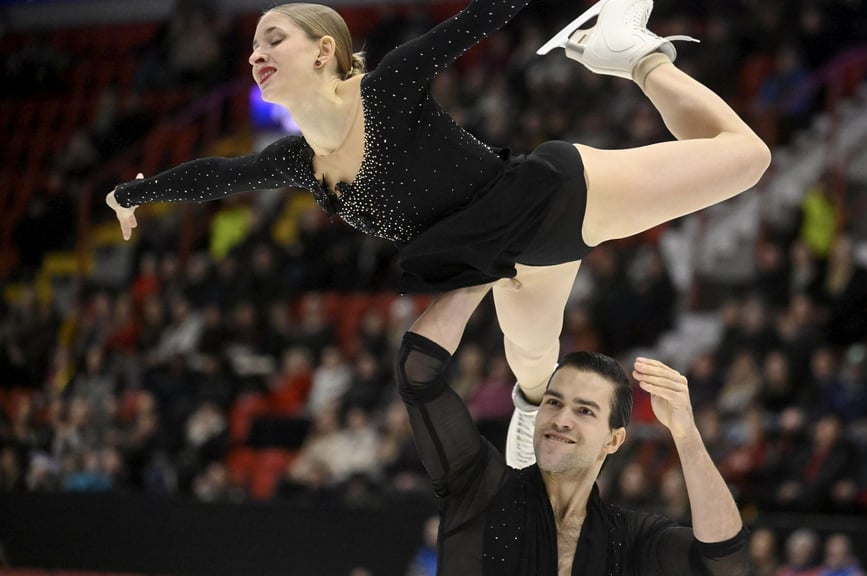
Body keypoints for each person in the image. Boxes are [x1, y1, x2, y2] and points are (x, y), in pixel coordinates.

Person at [106, 0, 771, 467]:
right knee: (533, 358)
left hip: (552, 200)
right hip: (506, 257)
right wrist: (132, 193)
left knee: (748, 158)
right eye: (252, 44)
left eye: (274, 37)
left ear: (325, 51)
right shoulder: (297, 163)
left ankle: (632, 59)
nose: (257, 51)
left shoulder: (387, 88)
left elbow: (483, 15)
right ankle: (528, 406)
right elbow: (218, 175)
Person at [393, 281, 748, 575]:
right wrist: (484, 271)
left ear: (614, 439)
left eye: (585, 411)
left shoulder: (628, 539)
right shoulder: (480, 489)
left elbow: (724, 560)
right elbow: (417, 371)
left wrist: (686, 435)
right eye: (554, 401)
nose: (562, 418)